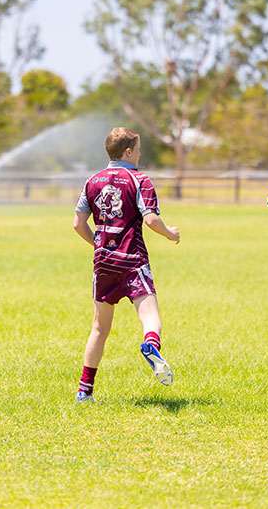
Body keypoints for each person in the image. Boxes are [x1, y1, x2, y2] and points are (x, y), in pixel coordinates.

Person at [72, 127, 181, 403]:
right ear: (128, 152)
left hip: (103, 262)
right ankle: (151, 345)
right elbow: (151, 220)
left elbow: (78, 224)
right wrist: (171, 234)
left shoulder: (92, 181)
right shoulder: (140, 179)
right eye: (138, 150)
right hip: (132, 260)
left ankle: (84, 391)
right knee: (151, 317)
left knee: (99, 329)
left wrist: (99, 245)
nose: (140, 155)